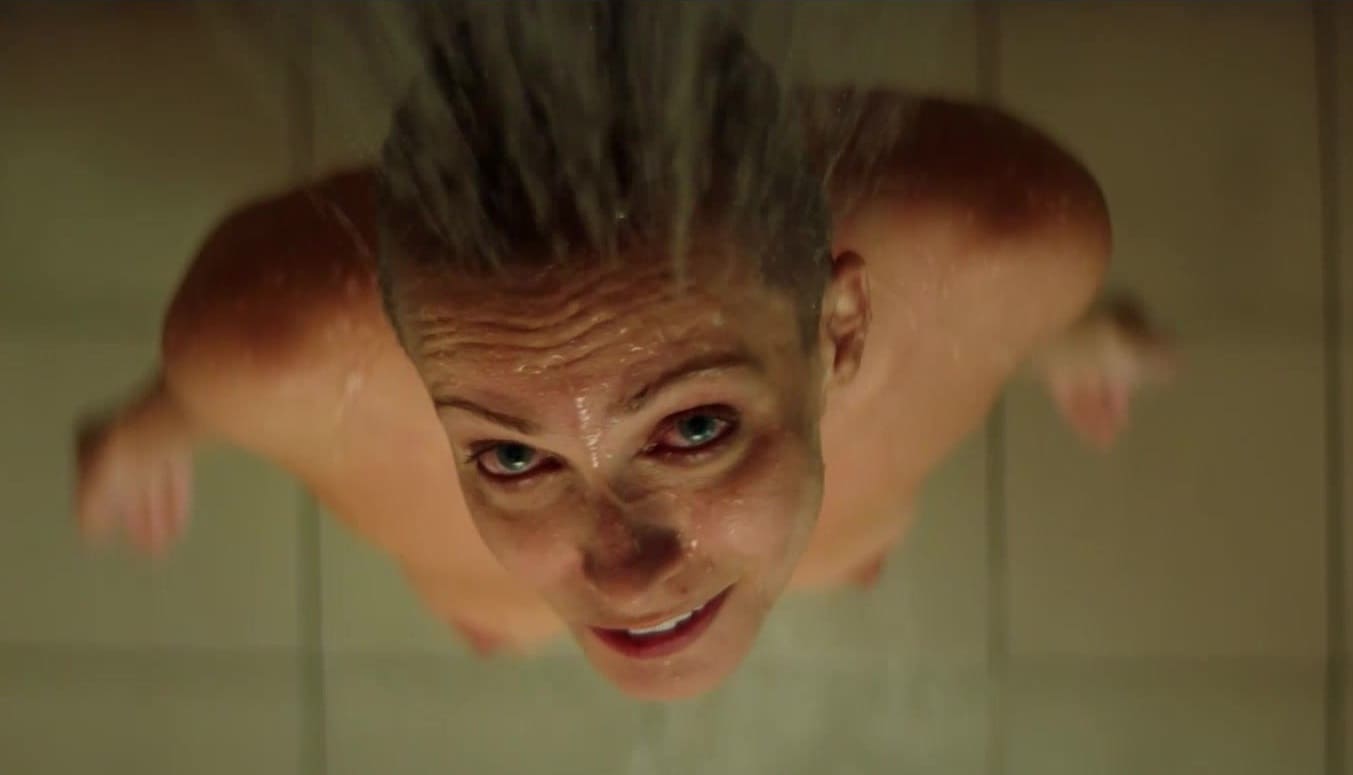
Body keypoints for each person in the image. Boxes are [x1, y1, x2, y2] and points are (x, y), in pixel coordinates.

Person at [73, 8, 1171, 700]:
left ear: (839, 328)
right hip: (522, 590)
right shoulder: (266, 350)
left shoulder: (1010, 244)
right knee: (505, 618)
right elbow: (221, 383)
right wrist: (152, 427)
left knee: (843, 550)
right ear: (412, 358)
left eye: (694, 427)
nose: (624, 575)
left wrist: (1058, 330)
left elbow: (1011, 278)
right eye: (510, 456)